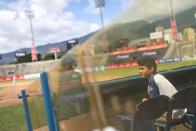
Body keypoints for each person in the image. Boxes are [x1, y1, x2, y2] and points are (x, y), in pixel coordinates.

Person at [137, 57, 186, 131]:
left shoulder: (156, 79)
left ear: (151, 69)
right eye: (139, 69)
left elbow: (160, 104)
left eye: (142, 68)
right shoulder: (156, 79)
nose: (140, 71)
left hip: (173, 114)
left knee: (141, 113)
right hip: (179, 112)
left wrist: (146, 103)